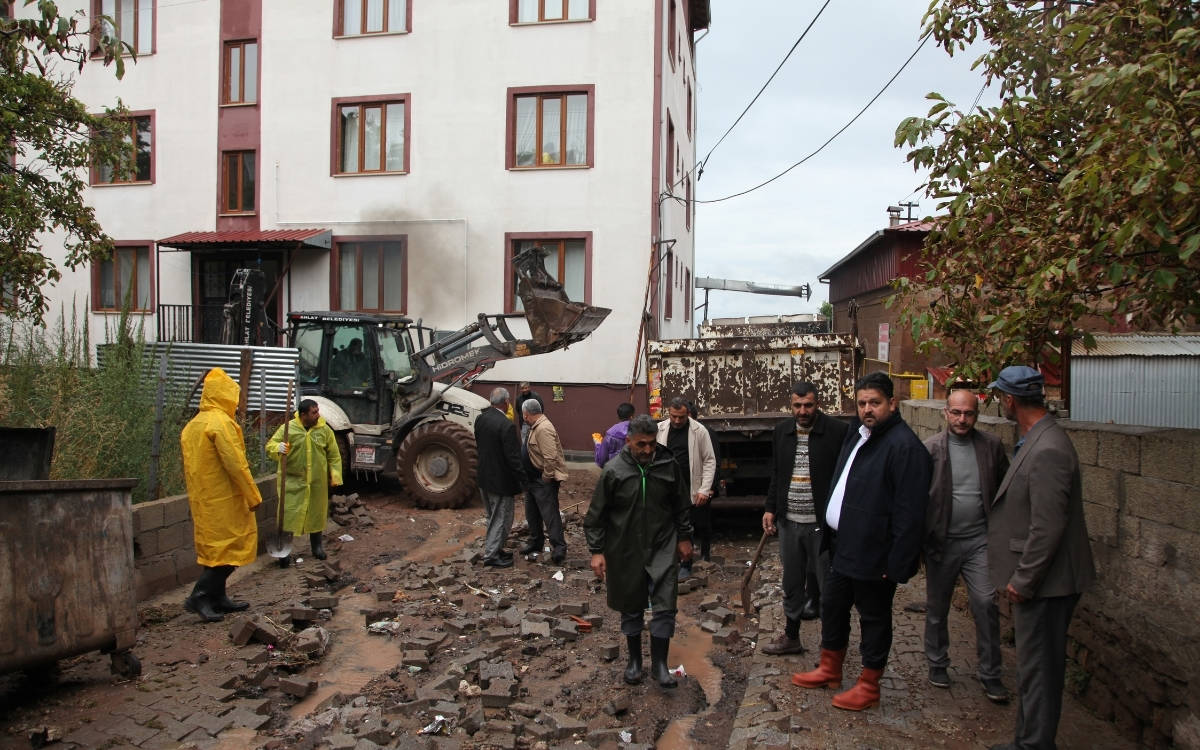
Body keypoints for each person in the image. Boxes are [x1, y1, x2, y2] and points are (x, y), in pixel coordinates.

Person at [791, 371, 931, 711]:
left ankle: (869, 685)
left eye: (875, 403)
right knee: (833, 606)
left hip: (875, 554)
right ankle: (830, 668)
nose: (868, 409)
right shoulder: (858, 434)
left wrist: (896, 565)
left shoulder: (904, 447)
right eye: (862, 402)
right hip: (843, 546)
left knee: (873, 616)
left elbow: (911, 515)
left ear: (892, 404)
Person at [987, 366, 1095, 750]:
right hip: (1043, 581)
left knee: (1040, 669)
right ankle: (1027, 739)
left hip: (1048, 584)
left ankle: (1034, 744)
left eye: (1001, 397)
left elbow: (1048, 526)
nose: (1000, 403)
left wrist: (1023, 579)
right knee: (1033, 668)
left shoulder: (1048, 449)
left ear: (1011, 400)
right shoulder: (1037, 438)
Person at [585, 414, 693, 688]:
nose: (647, 450)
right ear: (628, 441)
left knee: (665, 605)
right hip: (625, 547)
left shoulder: (668, 465)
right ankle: (634, 662)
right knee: (631, 605)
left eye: (651, 444)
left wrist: (684, 538)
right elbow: (597, 515)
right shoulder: (613, 471)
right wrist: (597, 551)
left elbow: (681, 505)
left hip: (662, 544)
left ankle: (659, 665)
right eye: (641, 444)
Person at [923, 387, 1010, 702]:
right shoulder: (931, 449)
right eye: (956, 412)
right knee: (937, 606)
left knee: (986, 603)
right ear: (945, 413)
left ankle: (990, 673)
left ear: (977, 414)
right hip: (942, 542)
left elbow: (1004, 492)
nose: (962, 419)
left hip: (978, 542)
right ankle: (937, 662)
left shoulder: (992, 447)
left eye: (969, 413)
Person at [761, 382, 848, 656]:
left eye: (808, 405)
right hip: (789, 523)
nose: (803, 411)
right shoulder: (782, 432)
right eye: (797, 406)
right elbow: (777, 472)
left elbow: (845, 477)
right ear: (791, 405)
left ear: (817, 404)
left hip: (822, 526)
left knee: (828, 585)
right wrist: (770, 508)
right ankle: (791, 636)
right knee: (792, 582)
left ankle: (831, 645)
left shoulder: (836, 432)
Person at [180, 368, 264, 622]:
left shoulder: (193, 425)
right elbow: (235, 464)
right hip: (225, 498)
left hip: (204, 499)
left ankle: (218, 598)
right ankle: (200, 596)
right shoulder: (221, 424)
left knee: (215, 551)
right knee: (232, 550)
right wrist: (252, 495)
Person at [266, 399, 342, 567]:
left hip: (317, 482)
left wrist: (335, 475)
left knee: (316, 513)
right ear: (303, 415)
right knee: (288, 515)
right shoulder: (288, 429)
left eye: (317, 411)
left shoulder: (324, 430)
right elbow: (270, 445)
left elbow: (334, 455)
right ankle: (284, 552)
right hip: (292, 482)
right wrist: (277, 448)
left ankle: (317, 547)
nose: (318, 415)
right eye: (314, 412)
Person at [656, 397, 715, 580]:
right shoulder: (660, 429)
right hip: (665, 487)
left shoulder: (699, 431)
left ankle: (686, 564)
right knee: (665, 526)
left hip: (689, 488)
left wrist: (704, 489)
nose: (677, 421)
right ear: (669, 413)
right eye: (673, 416)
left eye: (681, 417)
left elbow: (709, 460)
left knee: (685, 527)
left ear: (687, 414)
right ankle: (668, 563)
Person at [474, 387, 525, 568]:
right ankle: (491, 555)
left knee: (492, 516)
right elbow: (513, 457)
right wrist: (523, 480)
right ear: (506, 402)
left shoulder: (481, 419)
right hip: (501, 481)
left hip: (483, 477)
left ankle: (495, 549)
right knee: (501, 518)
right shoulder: (506, 425)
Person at [520, 398, 568, 564]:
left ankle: (559, 548)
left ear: (526, 414)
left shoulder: (544, 428)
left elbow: (550, 457)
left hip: (542, 480)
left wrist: (546, 478)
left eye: (523, 414)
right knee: (532, 513)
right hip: (532, 480)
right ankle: (536, 542)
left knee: (550, 515)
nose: (523, 417)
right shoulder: (535, 426)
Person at [686, 400, 721, 563]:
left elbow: (713, 461)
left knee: (703, 522)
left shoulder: (705, 432)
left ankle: (705, 554)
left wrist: (710, 487)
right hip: (685, 486)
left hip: (702, 486)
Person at [595, 402, 635, 467]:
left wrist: (598, 444)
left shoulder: (610, 435)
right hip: (634, 471)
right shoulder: (639, 432)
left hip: (614, 470)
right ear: (632, 416)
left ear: (618, 416)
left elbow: (601, 461)